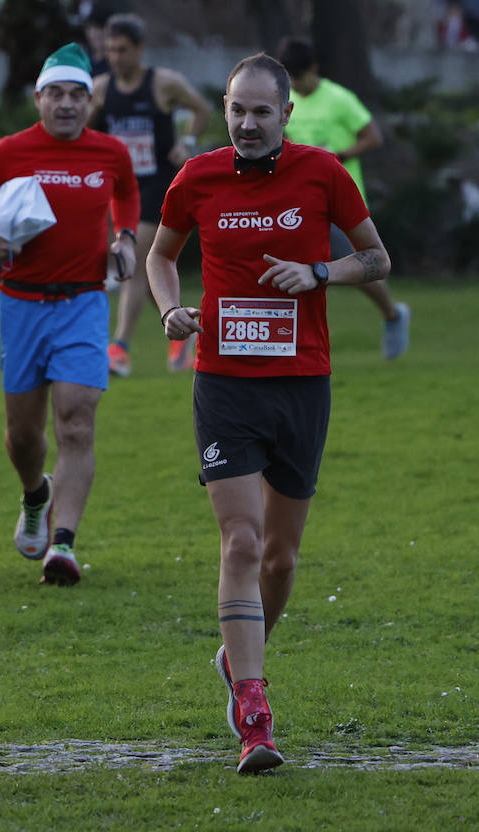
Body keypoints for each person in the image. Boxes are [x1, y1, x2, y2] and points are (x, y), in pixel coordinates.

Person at [146, 53, 390, 773]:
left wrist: (320, 272)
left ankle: (238, 654)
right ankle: (255, 709)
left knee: (280, 558)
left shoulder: (324, 174)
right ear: (224, 111)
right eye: (237, 109)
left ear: (286, 115)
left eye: (261, 111)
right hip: (224, 382)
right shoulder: (197, 177)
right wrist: (169, 309)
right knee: (243, 543)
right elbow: (162, 256)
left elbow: (375, 260)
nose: (248, 123)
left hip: (302, 384)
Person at [0, 43, 138, 586]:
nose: (65, 104)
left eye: (76, 95)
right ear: (38, 98)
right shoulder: (11, 151)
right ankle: (36, 494)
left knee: (77, 422)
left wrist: (124, 235)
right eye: (55, 94)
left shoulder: (110, 153)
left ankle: (64, 544)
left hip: (83, 301)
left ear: (89, 101)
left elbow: (127, 194)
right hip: (22, 303)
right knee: (23, 437)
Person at [89, 13, 212, 376]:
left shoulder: (164, 83)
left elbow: (202, 109)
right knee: (131, 262)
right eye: (110, 50)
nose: (115, 57)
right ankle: (177, 327)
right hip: (118, 188)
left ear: (140, 49)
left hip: (157, 184)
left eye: (123, 49)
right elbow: (84, 131)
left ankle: (120, 348)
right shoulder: (100, 89)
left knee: (137, 260)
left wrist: (187, 141)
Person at [276, 36, 410, 360]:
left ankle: (393, 315)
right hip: (299, 203)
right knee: (287, 267)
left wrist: (340, 155)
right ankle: (286, 340)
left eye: (300, 76)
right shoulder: (287, 101)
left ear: (314, 69)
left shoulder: (339, 98)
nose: (296, 83)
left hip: (340, 202)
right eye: (290, 78)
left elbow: (373, 136)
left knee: (358, 270)